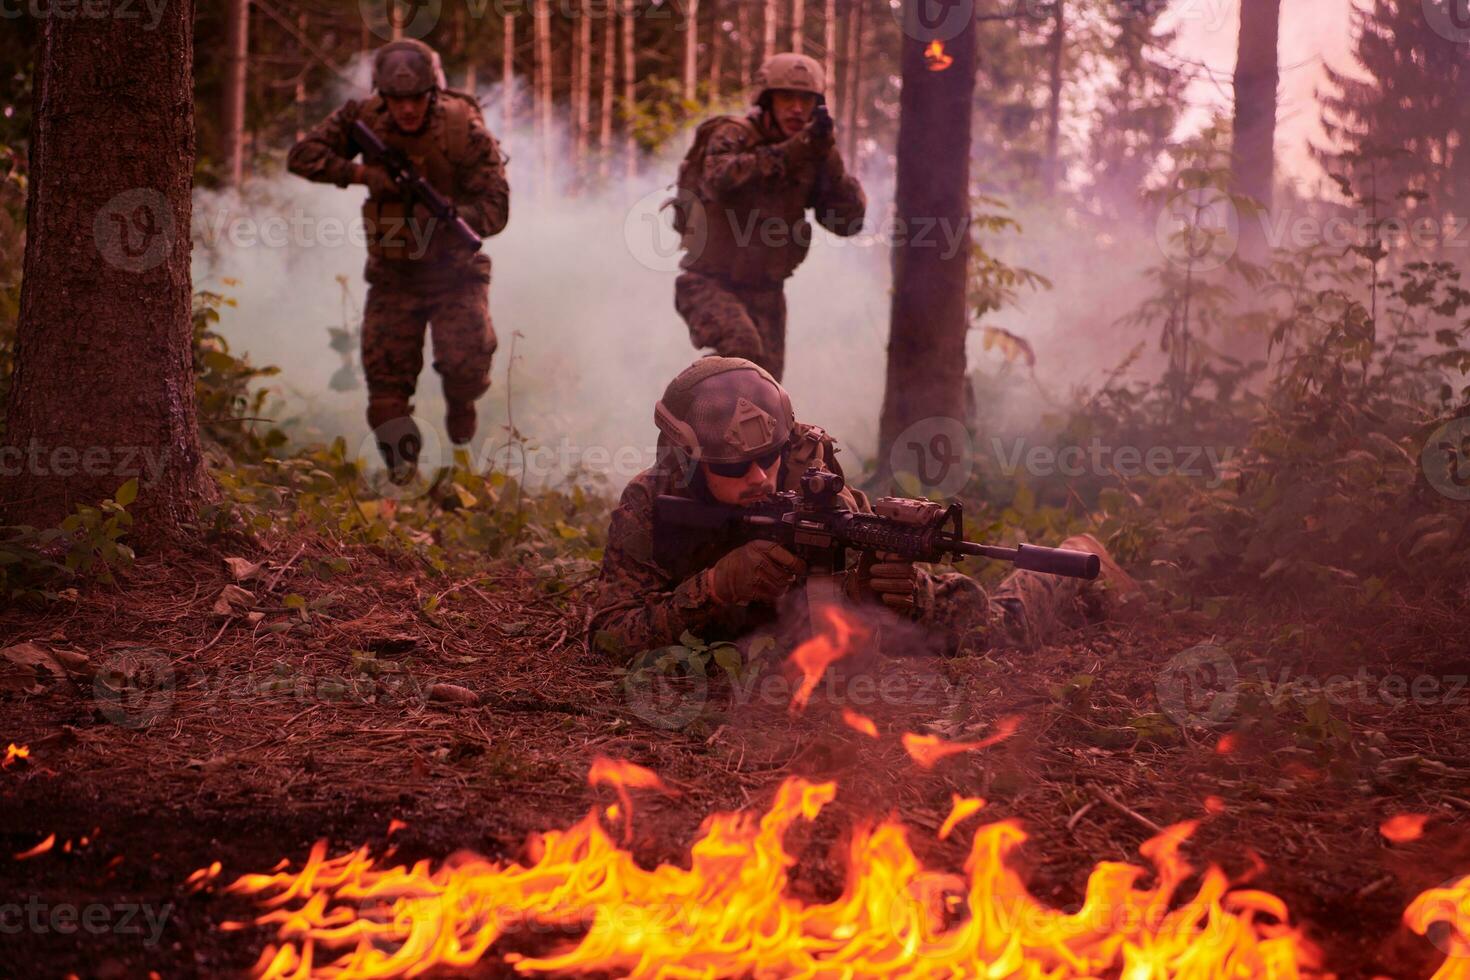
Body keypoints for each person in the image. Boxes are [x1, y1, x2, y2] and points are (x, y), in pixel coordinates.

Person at [589, 357, 1136, 660]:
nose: (759, 477)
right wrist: (715, 587)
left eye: (769, 458)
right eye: (733, 469)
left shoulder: (813, 480)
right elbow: (611, 636)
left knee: (998, 630)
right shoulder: (652, 503)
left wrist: (875, 591)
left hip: (823, 608)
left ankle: (1079, 557)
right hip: (751, 628)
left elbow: (846, 616)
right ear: (688, 460)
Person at [288, 39, 509, 481]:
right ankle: (405, 482)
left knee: (467, 369)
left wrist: (447, 215)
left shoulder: (463, 127)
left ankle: (460, 400)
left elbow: (496, 208)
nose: (406, 109)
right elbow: (303, 156)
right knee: (386, 397)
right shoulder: (364, 118)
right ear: (383, 96)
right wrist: (362, 173)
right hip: (394, 277)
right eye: (397, 99)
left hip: (454, 275)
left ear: (433, 93)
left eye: (416, 99)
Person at [672, 53, 866, 382]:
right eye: (786, 97)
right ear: (766, 100)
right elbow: (720, 178)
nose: (796, 108)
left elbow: (846, 222)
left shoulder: (812, 152)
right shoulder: (733, 134)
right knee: (741, 352)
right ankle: (691, 422)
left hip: (767, 291)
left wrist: (829, 163)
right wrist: (799, 148)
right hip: (707, 284)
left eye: (806, 100)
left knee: (767, 391)